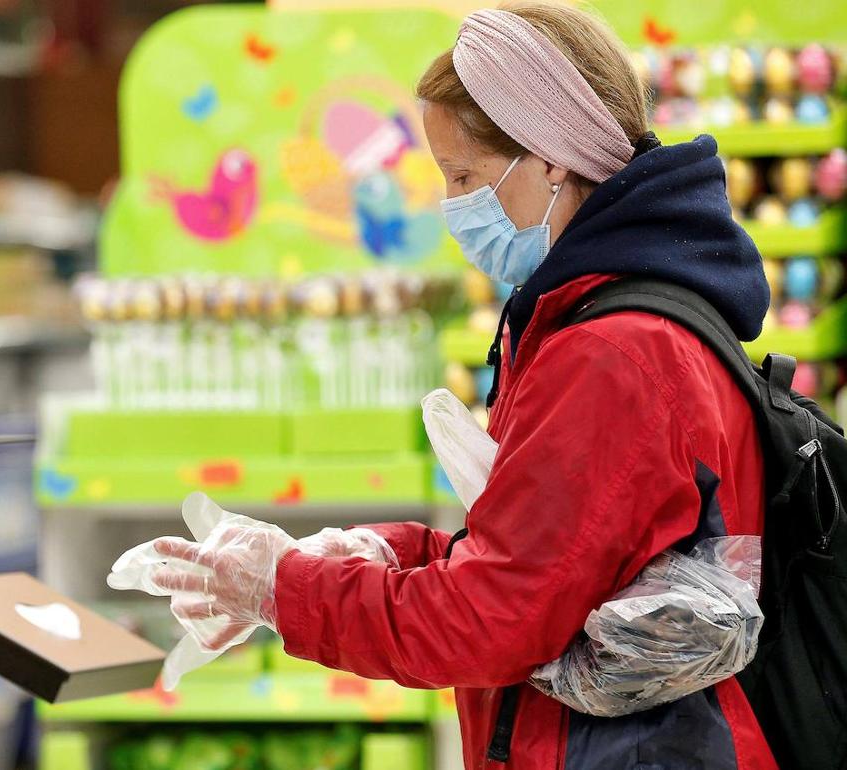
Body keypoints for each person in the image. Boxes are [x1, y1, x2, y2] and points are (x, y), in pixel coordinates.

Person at [144, 3, 778, 768]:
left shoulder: (611, 351)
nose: (453, 208)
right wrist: (378, 551)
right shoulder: (607, 313)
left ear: (552, 158)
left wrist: (286, 592)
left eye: (465, 177)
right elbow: (552, 558)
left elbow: (492, 622)